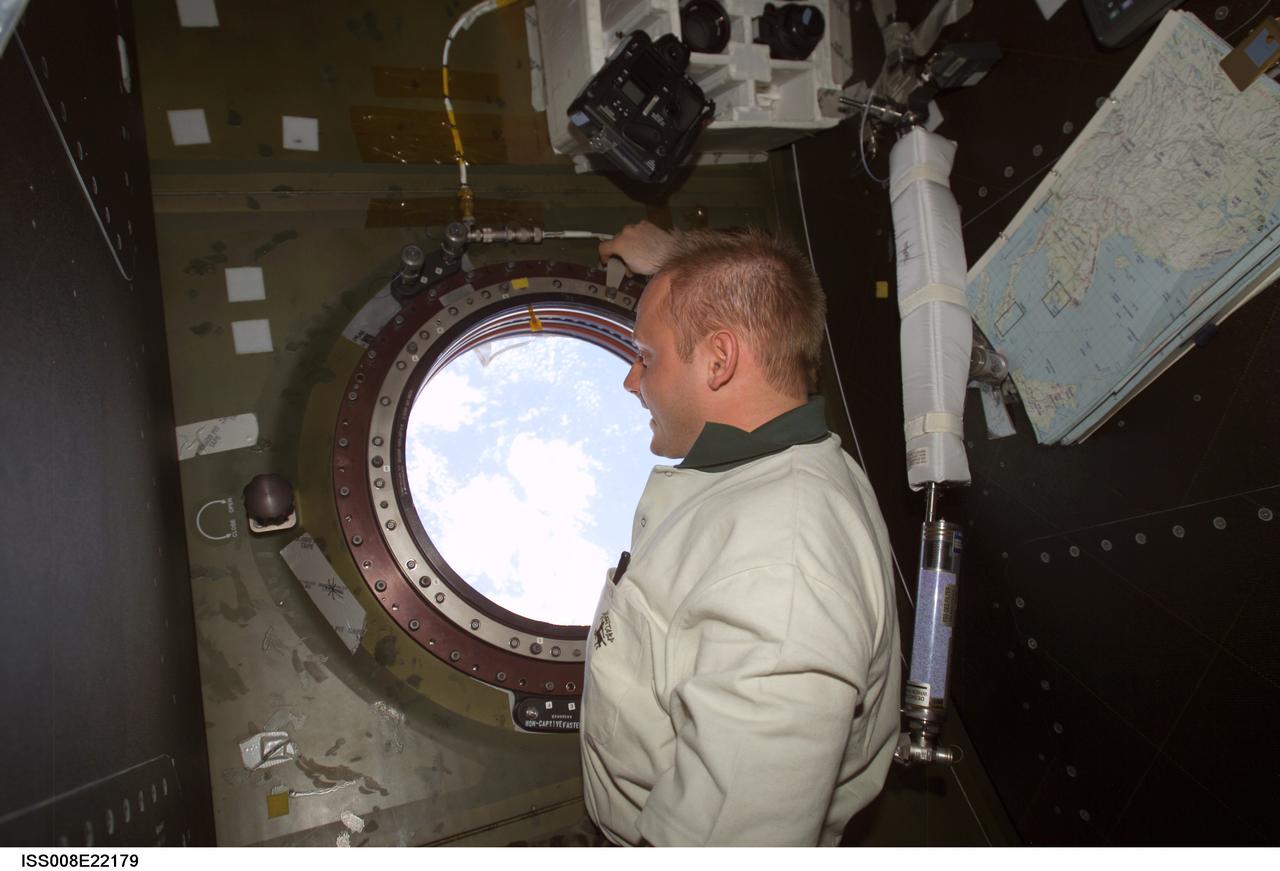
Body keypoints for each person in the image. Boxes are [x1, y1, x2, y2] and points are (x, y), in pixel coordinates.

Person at [579, 221, 901, 846]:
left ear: (720, 360)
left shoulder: (783, 565)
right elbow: (766, 291)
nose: (630, 380)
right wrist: (676, 261)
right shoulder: (774, 471)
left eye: (645, 356)